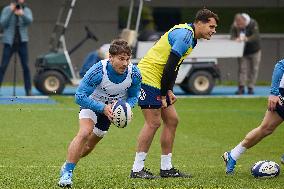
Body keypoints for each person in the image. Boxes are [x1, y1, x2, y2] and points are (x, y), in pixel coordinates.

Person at [130, 9, 219, 179]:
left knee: (172, 120)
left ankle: (166, 168)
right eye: (211, 26)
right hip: (148, 78)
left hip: (159, 79)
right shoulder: (185, 36)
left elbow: (174, 67)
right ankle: (136, 169)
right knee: (153, 123)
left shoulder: (191, 37)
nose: (213, 31)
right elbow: (169, 67)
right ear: (199, 23)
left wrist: (168, 90)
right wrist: (163, 95)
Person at [58, 39, 141, 188]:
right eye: (121, 59)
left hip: (110, 113)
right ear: (111, 57)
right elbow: (79, 96)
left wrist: (126, 107)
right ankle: (67, 173)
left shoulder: (134, 73)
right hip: (91, 105)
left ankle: (67, 164)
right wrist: (102, 107)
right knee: (84, 133)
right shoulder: (98, 71)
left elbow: (134, 95)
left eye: (127, 59)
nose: (125, 63)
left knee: (89, 147)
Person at [222, 59, 284, 174]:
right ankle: (233, 155)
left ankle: (233, 154)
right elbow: (281, 66)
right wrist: (274, 93)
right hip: (282, 93)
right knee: (265, 128)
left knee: (266, 129)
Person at [0, 0, 33, 96]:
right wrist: (11, 11)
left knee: (26, 67)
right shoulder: (7, 9)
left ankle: (28, 90)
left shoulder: (26, 10)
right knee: (3, 66)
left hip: (22, 42)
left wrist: (22, 14)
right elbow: (2, 23)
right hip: (9, 42)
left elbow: (29, 21)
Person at [231, 13, 261, 95]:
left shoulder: (253, 23)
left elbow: (256, 36)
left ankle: (251, 87)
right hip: (242, 51)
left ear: (245, 21)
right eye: (238, 25)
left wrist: (246, 39)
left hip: (255, 50)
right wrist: (235, 39)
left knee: (254, 69)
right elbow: (232, 36)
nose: (240, 26)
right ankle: (241, 87)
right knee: (242, 69)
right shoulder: (235, 26)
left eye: (241, 24)